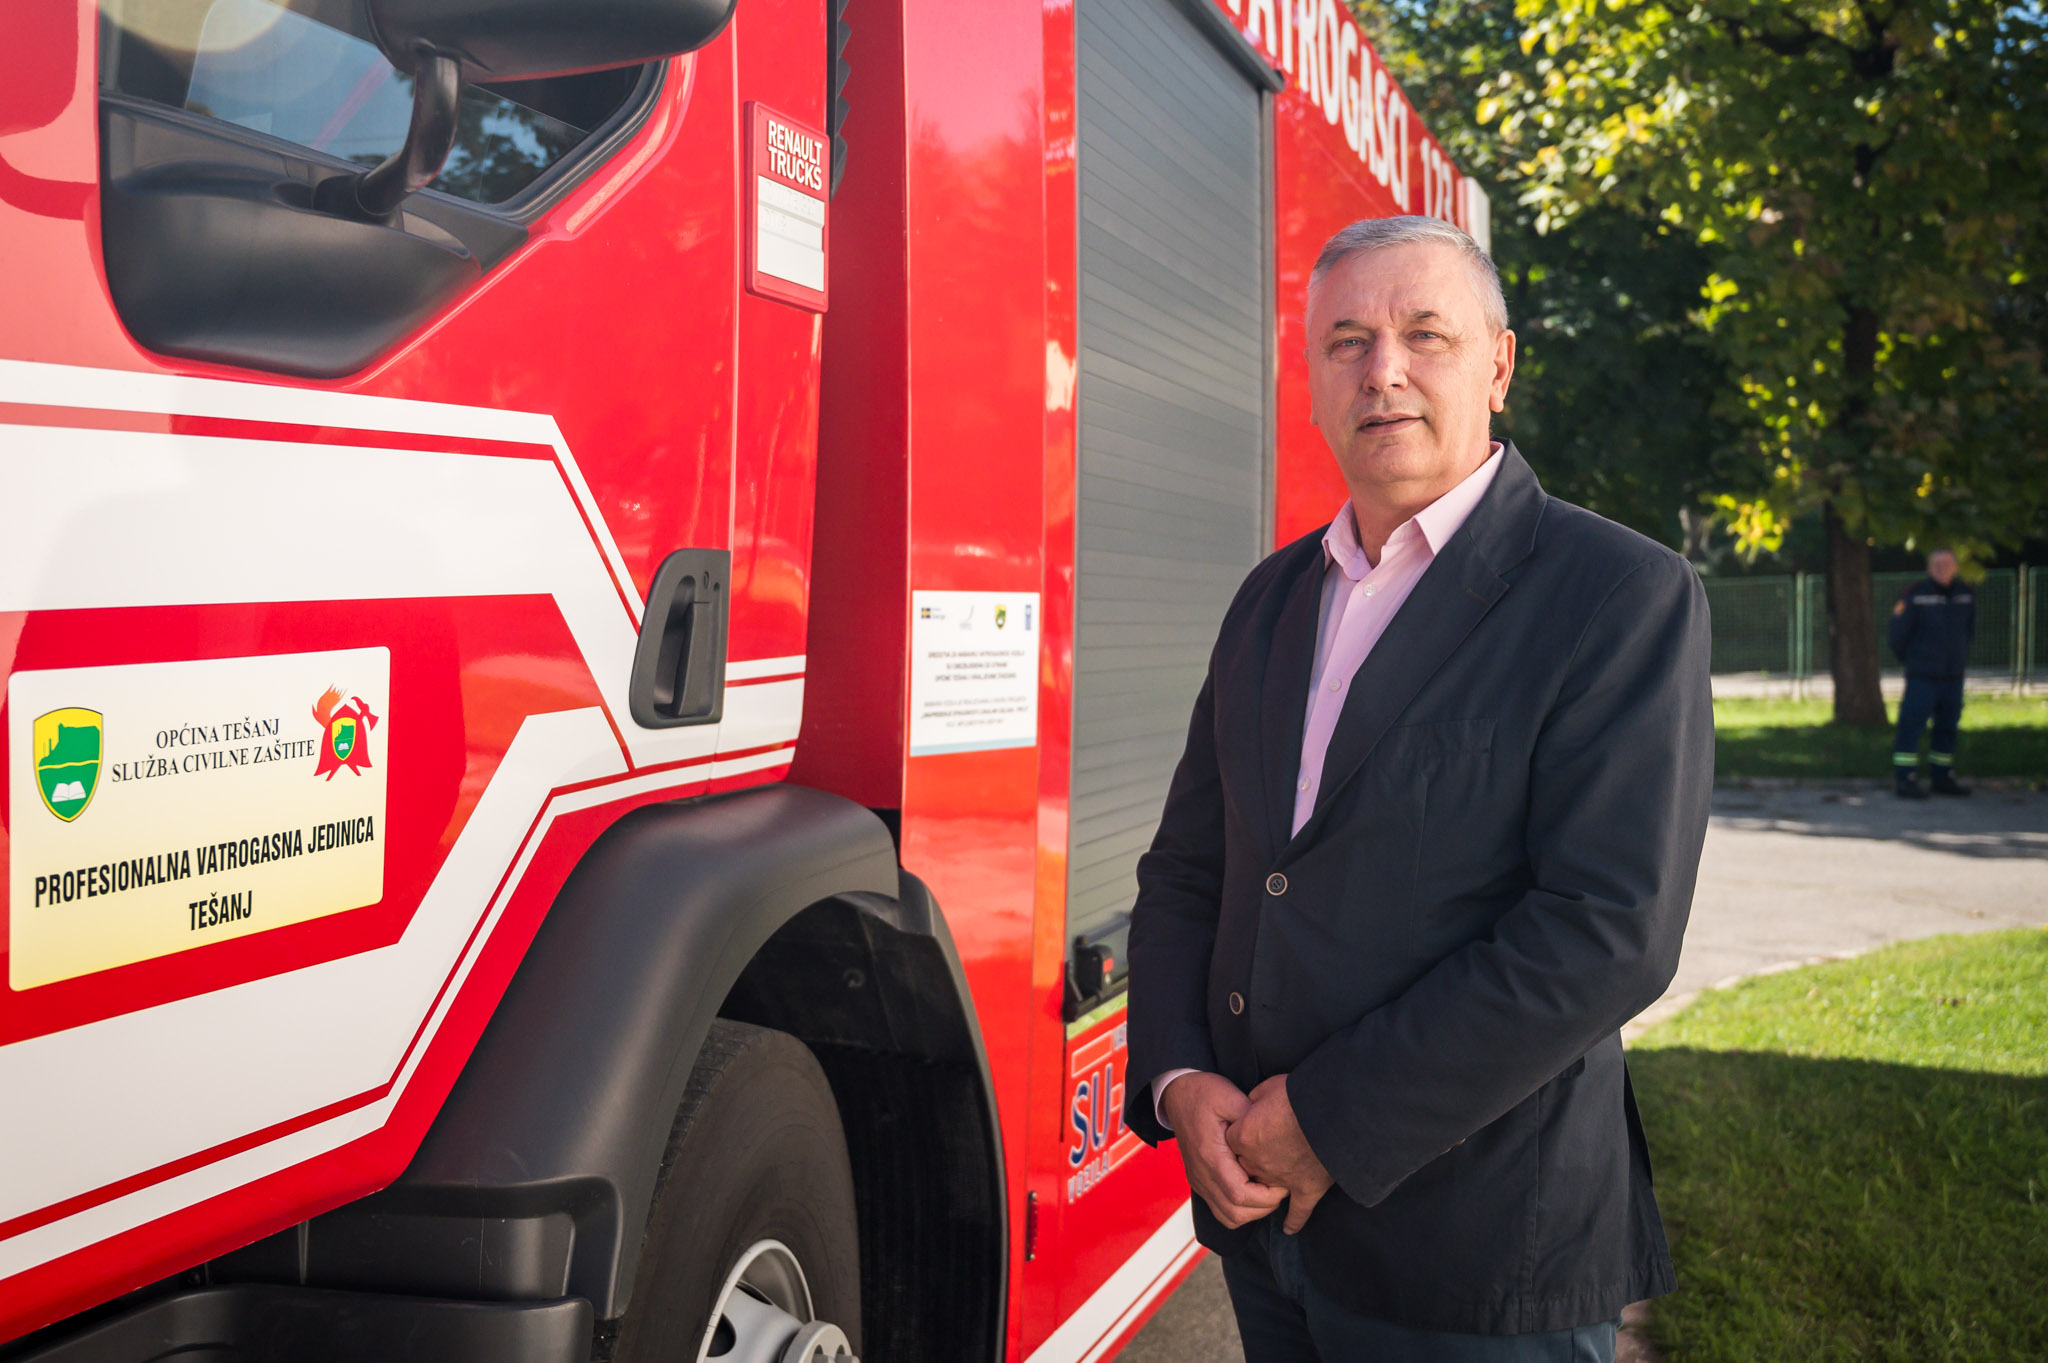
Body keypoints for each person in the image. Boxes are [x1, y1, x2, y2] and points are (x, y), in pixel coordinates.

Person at [1123, 216, 1715, 1363]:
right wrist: (1179, 1074)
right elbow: (1195, 868)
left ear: (1496, 363)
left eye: (1422, 334)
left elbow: (1607, 933)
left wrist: (1327, 1121)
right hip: (1264, 1231)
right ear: (1309, 382)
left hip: (1479, 1259)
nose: (1381, 370)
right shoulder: (1269, 597)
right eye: (1345, 340)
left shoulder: (1618, 594)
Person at [1888, 549, 1974, 798]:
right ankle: (1906, 779)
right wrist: (1914, 661)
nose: (1942, 569)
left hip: (1952, 676)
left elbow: (1969, 632)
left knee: (1947, 726)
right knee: (1911, 725)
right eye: (1936, 565)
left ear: (1955, 567)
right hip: (1922, 676)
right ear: (1928, 568)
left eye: (1946, 565)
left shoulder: (1965, 595)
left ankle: (1943, 776)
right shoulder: (1915, 595)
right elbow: (1897, 636)